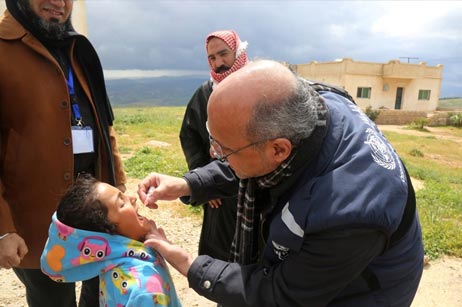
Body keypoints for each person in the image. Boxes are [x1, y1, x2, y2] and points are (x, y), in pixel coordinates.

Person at [139, 60, 424, 306]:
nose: (214, 154)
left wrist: (191, 265)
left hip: (363, 293)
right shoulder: (306, 107)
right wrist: (188, 184)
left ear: (279, 149)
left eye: (223, 149)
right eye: (213, 139)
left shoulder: (349, 215)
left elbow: (282, 295)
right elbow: (250, 163)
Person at [0, 1, 126, 306]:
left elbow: (103, 124)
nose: (59, 3)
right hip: (35, 223)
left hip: (95, 213)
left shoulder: (77, 49)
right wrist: (3, 230)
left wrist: (120, 183)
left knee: (99, 294)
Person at [40, 174, 182, 307]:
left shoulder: (112, 260)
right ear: (107, 234)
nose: (132, 198)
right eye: (121, 204)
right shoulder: (144, 292)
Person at [178, 30, 248, 261]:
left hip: (254, 186)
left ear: (237, 51)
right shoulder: (206, 92)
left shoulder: (256, 85)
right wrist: (204, 178)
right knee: (220, 256)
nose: (218, 63)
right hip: (220, 192)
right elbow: (189, 135)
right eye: (212, 58)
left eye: (223, 54)